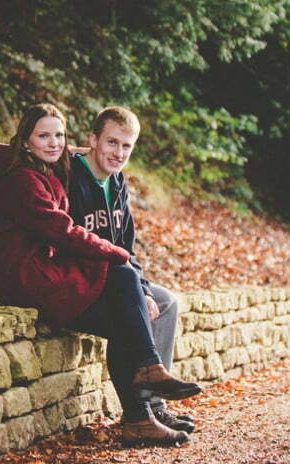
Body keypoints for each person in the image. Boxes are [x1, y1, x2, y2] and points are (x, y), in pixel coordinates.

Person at [0, 103, 201, 446]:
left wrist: (123, 261)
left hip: (49, 275)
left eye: (58, 136)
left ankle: (140, 417)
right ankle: (149, 373)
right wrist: (118, 256)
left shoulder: (45, 169)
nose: (53, 143)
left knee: (129, 315)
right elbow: (63, 231)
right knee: (124, 281)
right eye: (43, 136)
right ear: (25, 141)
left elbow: (64, 153)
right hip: (32, 280)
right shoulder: (25, 181)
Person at [67, 106, 196, 435]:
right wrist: (134, 291)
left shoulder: (118, 182)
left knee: (166, 302)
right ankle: (137, 416)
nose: (118, 153)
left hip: (119, 281)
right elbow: (71, 243)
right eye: (112, 142)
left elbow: (127, 248)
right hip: (81, 283)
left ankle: (154, 406)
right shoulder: (71, 178)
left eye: (126, 146)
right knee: (130, 316)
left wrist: (145, 289)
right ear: (92, 140)